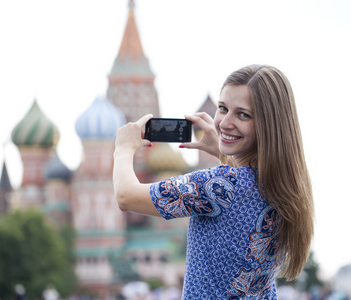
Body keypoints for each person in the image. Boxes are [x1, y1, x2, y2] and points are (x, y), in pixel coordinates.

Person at [113, 64, 314, 299]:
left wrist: (123, 148)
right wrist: (224, 154)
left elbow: (126, 196)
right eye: (223, 108)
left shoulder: (220, 185)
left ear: (268, 125)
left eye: (243, 114)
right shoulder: (284, 188)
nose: (224, 123)